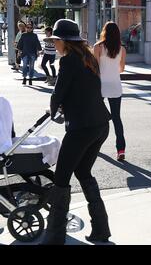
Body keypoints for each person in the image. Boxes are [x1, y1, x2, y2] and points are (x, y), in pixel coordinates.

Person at [40, 19, 111, 245]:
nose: (55, 45)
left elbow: (59, 92)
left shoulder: (69, 61)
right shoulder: (88, 57)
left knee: (61, 179)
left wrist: (53, 109)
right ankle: (101, 229)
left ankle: (53, 238)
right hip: (100, 124)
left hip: (82, 128)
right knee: (83, 173)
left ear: (63, 42)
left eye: (55, 41)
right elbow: (86, 90)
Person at [94, 22, 127, 161]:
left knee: (95, 117)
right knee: (117, 118)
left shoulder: (98, 47)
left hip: (100, 85)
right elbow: (122, 69)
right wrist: (112, 71)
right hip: (115, 85)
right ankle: (121, 150)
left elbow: (94, 68)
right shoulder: (122, 49)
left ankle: (93, 146)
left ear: (104, 32)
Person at [17, 21, 42, 85]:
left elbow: (37, 43)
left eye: (30, 27)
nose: (29, 28)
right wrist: (19, 52)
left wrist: (38, 51)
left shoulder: (34, 35)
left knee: (31, 67)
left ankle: (30, 79)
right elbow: (20, 44)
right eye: (28, 27)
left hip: (32, 54)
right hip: (25, 53)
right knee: (25, 66)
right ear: (26, 28)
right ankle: (24, 78)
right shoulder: (23, 35)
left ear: (32, 28)